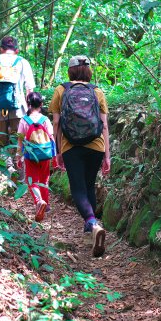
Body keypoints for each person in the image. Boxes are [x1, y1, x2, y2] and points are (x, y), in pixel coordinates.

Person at [49, 55, 111, 257]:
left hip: (71, 145)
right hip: (96, 146)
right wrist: (107, 156)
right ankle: (89, 231)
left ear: (71, 70)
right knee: (89, 185)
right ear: (88, 71)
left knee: (78, 188)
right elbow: (105, 125)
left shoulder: (62, 90)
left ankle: (92, 223)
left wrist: (57, 151)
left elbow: (56, 124)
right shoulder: (97, 91)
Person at [0, 36, 35, 174]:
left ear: (1, 49)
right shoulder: (23, 62)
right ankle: (19, 171)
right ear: (16, 50)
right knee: (18, 140)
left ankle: (7, 170)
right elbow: (29, 90)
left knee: (0, 143)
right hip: (19, 109)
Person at [16, 92, 55, 222]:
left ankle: (39, 201)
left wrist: (18, 156)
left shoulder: (24, 120)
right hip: (45, 154)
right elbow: (51, 138)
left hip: (30, 155)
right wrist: (55, 156)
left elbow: (20, 140)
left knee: (31, 180)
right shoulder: (45, 120)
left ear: (28, 104)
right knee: (44, 179)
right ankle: (46, 205)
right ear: (41, 104)